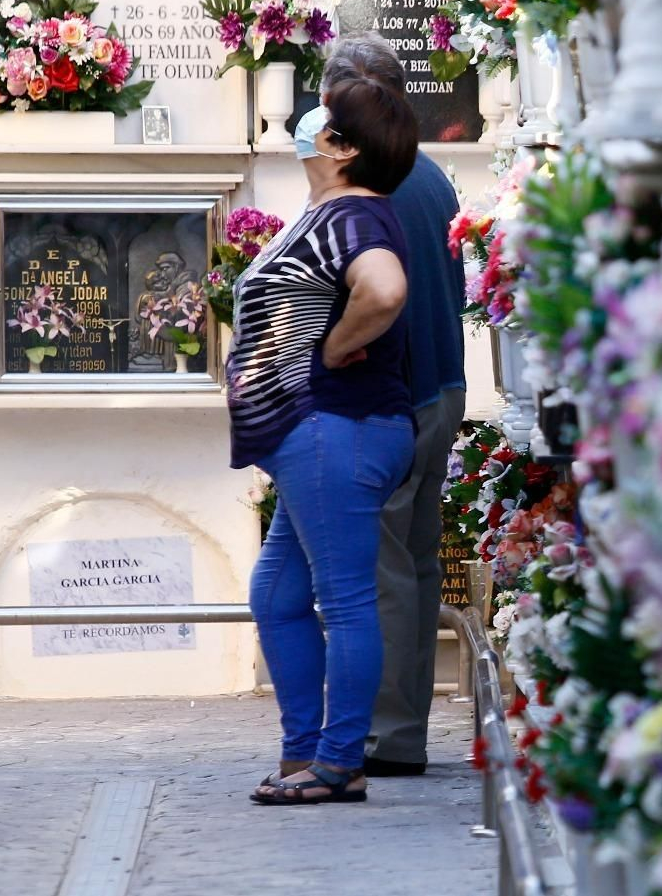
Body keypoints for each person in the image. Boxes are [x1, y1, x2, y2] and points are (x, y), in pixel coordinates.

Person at [229, 57, 421, 806]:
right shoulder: (328, 212)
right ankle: (306, 749)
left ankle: (339, 761)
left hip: (338, 424)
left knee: (343, 601)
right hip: (313, 435)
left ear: (343, 148)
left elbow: (385, 288)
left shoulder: (356, 213)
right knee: (277, 596)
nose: (308, 123)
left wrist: (335, 348)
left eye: (323, 116)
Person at [313, 33, 468, 776]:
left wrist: (331, 350)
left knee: (379, 568)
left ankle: (388, 735)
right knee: (416, 557)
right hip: (442, 386)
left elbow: (374, 295)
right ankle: (405, 725)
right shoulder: (432, 175)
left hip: (391, 397)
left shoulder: (366, 186)